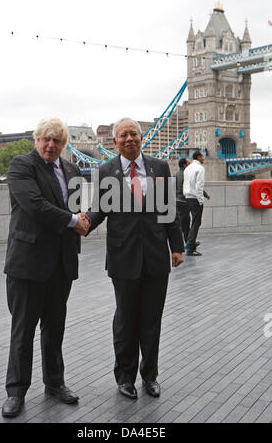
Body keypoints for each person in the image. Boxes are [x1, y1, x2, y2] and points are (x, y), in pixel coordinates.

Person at [86, 117, 184, 400]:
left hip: (155, 257)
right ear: (114, 142)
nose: (129, 139)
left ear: (142, 138)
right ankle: (125, 378)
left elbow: (169, 210)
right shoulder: (105, 171)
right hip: (123, 257)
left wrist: (176, 247)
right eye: (123, 135)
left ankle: (150, 376)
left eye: (134, 134)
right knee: (126, 321)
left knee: (152, 321)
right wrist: (80, 224)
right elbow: (99, 210)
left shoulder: (160, 167)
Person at [2, 117, 89, 418]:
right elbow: (35, 205)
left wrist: (82, 220)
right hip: (27, 263)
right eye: (45, 139)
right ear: (36, 140)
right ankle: (16, 392)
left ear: (64, 145)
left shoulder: (74, 170)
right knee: (23, 330)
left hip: (61, 263)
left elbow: (76, 209)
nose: (51, 145)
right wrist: (73, 221)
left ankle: (55, 383)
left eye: (57, 141)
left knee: (55, 328)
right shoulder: (21, 166)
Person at [183, 150, 210, 256]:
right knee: (196, 222)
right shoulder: (200, 168)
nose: (203, 159)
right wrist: (200, 200)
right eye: (202, 157)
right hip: (195, 198)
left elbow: (186, 184)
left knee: (194, 222)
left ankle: (190, 243)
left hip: (187, 197)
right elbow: (199, 186)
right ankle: (190, 247)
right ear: (198, 157)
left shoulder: (187, 168)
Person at [175, 158, 190, 243]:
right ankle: (188, 242)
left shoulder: (176, 174)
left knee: (180, 222)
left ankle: (184, 241)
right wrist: (205, 194)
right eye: (188, 163)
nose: (189, 164)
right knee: (185, 224)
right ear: (184, 165)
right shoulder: (186, 174)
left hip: (177, 201)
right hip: (184, 201)